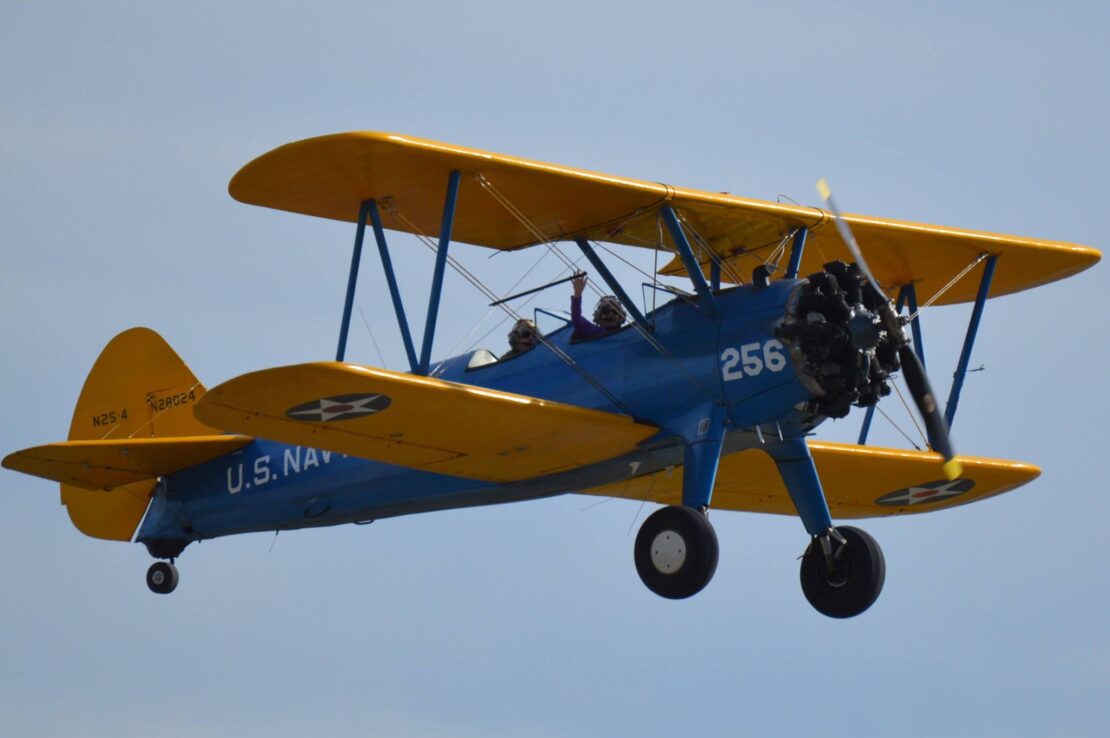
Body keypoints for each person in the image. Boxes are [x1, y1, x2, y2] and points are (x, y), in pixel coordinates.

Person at [571, 274, 626, 340]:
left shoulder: (630, 334)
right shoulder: (594, 330)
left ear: (621, 316)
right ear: (598, 315)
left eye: (615, 312)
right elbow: (577, 319)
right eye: (606, 311)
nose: (611, 314)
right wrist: (577, 294)